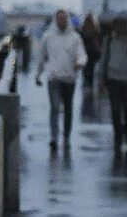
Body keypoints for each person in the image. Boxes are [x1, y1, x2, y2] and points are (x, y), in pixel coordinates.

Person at [35, 9, 88, 149]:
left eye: (64, 18)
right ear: (55, 20)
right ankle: (54, 136)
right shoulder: (48, 37)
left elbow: (82, 54)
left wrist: (80, 63)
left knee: (68, 107)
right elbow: (41, 57)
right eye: (59, 18)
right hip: (54, 77)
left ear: (68, 20)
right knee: (54, 107)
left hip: (70, 78)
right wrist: (38, 74)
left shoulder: (75, 37)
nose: (62, 21)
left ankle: (66, 135)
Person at [99, 17, 127, 152]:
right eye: (117, 26)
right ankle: (118, 134)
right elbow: (104, 59)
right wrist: (102, 78)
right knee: (115, 108)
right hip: (113, 78)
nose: (120, 29)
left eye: (122, 26)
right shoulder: (109, 40)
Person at [79, 13, 102, 88]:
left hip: (87, 54)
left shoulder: (83, 31)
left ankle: (87, 85)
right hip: (93, 54)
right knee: (91, 71)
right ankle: (89, 85)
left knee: (87, 72)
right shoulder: (95, 31)